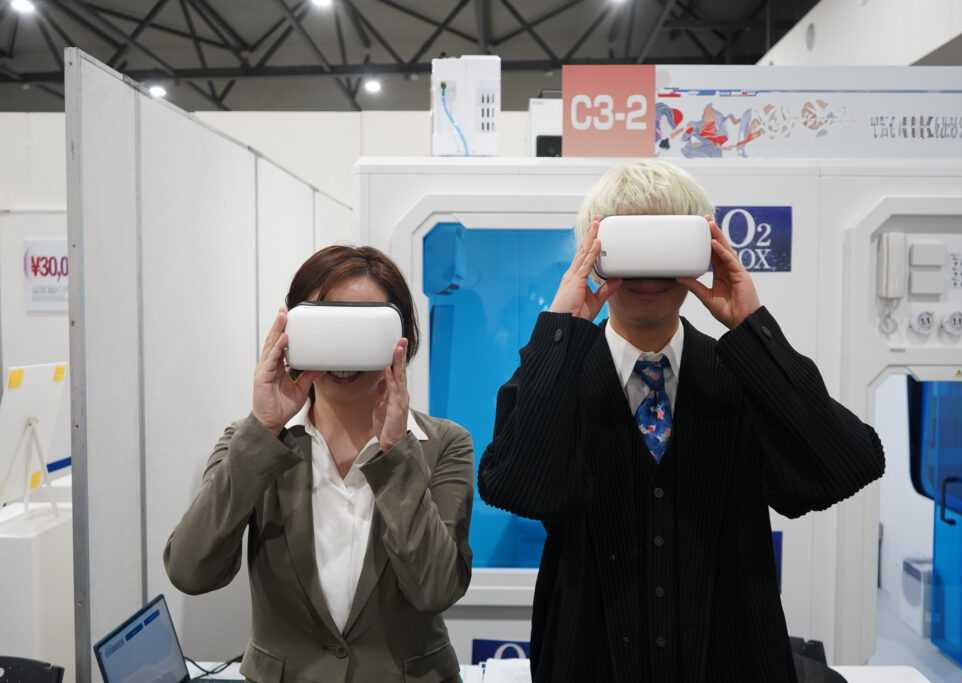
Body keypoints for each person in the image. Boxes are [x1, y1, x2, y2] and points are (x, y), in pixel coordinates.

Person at [477, 160, 885, 682]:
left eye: (668, 247)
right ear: (592, 254)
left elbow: (844, 466)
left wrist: (752, 329)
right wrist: (561, 332)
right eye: (630, 248)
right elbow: (515, 488)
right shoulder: (556, 376)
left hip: (733, 659)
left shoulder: (744, 373)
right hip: (589, 657)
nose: (649, 274)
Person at [164, 245, 474, 683]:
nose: (342, 355)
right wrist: (263, 429)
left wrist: (395, 454)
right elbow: (190, 571)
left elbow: (435, 589)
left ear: (402, 338)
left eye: (362, 329)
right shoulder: (251, 443)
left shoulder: (444, 445)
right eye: (326, 325)